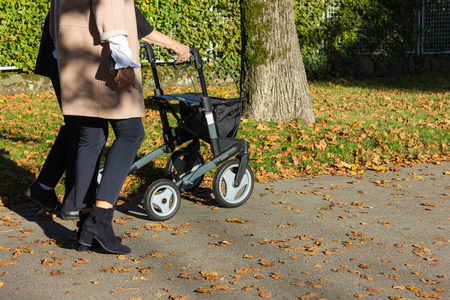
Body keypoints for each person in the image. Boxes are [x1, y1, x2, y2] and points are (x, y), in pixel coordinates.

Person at [49, 0, 189, 254]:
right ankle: (100, 220)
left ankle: (86, 223)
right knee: (131, 134)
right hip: (104, 60)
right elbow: (110, 9)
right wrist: (124, 61)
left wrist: (62, 49)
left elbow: (55, 17)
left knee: (89, 139)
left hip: (75, 59)